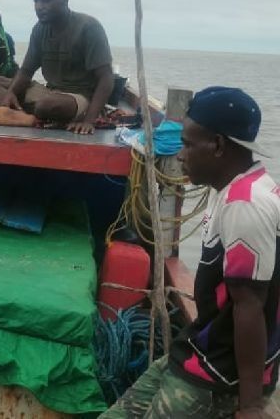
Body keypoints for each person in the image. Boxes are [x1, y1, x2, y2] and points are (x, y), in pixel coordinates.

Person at [102, 87, 278, 418]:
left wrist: (251, 406)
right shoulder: (235, 190)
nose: (180, 155)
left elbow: (250, 306)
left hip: (214, 376)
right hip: (194, 352)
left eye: (187, 144)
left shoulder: (245, 205)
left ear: (219, 146)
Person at [0, 0, 113, 134]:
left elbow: (106, 78)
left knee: (47, 105)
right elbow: (25, 72)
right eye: (36, 0)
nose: (39, 7)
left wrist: (89, 121)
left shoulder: (88, 27)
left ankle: (27, 117)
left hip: (78, 98)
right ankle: (16, 110)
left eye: (46, 0)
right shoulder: (39, 29)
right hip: (48, 91)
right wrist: (10, 93)